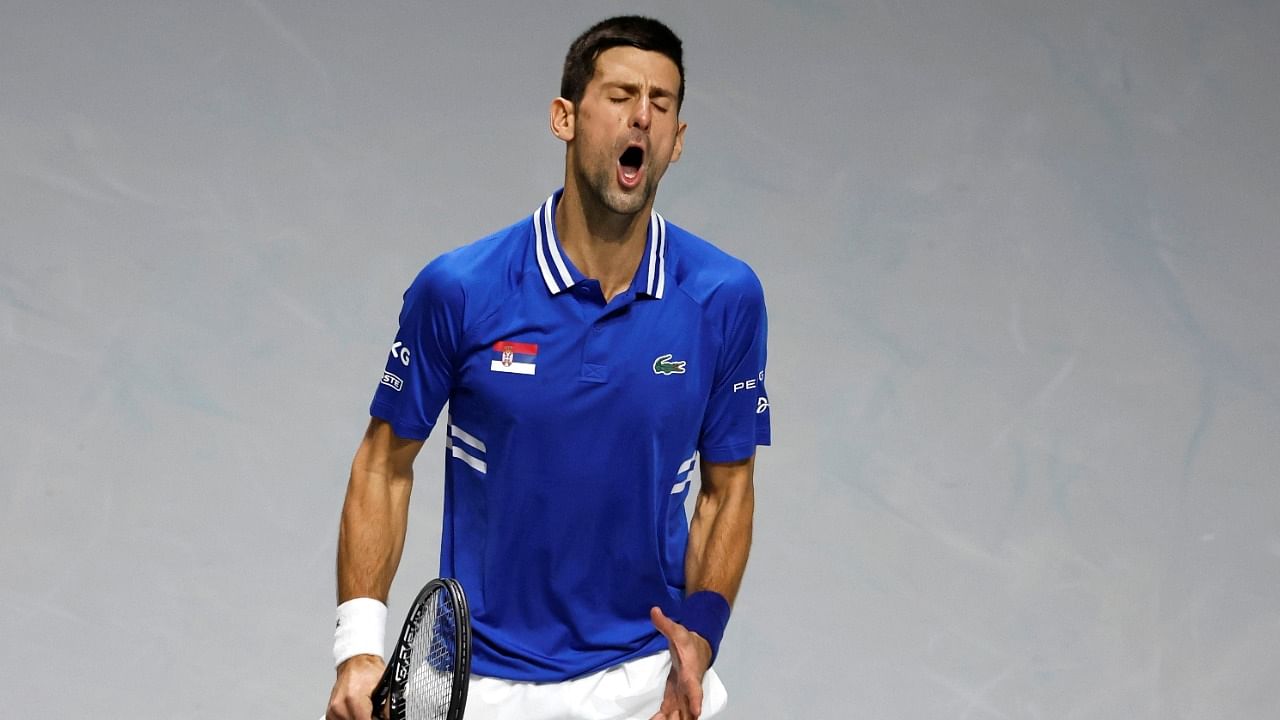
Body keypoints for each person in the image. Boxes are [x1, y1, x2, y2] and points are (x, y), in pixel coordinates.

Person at [325, 15, 770, 720]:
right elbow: (383, 465)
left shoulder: (723, 298)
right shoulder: (462, 289)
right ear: (566, 117)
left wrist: (700, 640)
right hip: (483, 687)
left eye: (662, 104)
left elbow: (727, 489)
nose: (643, 118)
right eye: (622, 94)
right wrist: (358, 648)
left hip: (646, 682)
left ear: (677, 141)